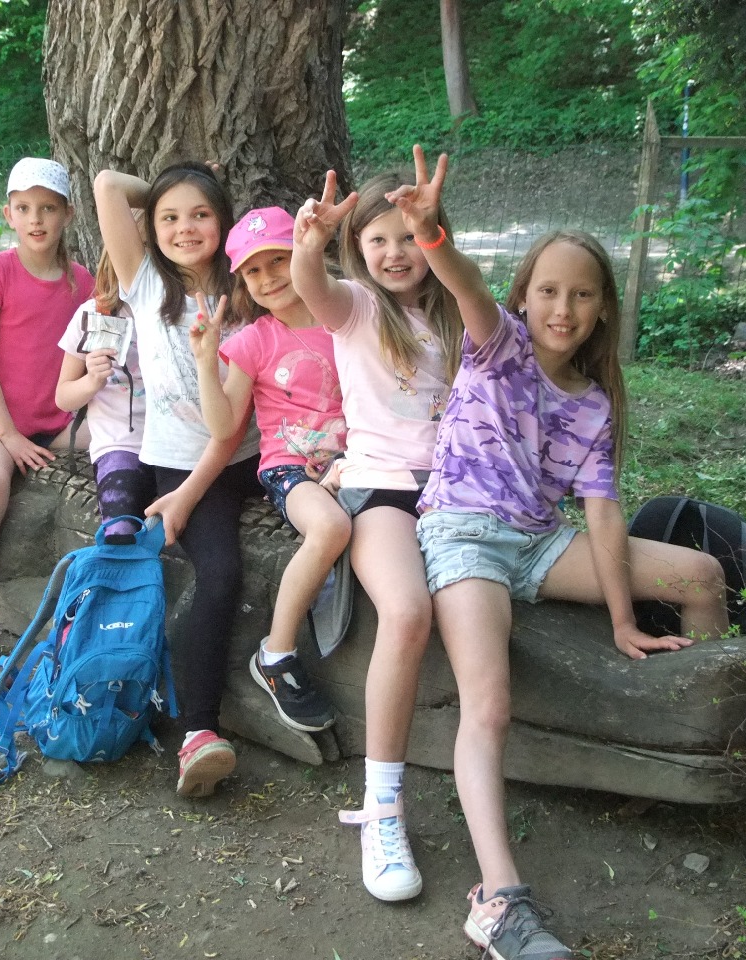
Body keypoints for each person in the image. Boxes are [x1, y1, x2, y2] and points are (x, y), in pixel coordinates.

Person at [394, 146, 728, 959]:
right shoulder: (496, 343)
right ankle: (498, 900)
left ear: (604, 308)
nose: (563, 307)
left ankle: (703, 746)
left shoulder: (594, 403)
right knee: (490, 705)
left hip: (541, 542)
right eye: (548, 290)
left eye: (581, 294)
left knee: (703, 574)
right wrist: (432, 235)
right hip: (464, 534)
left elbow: (603, 516)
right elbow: (465, 285)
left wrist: (622, 619)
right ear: (524, 297)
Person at [290, 164, 462, 902]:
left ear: (433, 236)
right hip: (384, 490)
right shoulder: (358, 307)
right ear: (357, 250)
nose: (396, 253)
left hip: (458, 492)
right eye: (378, 240)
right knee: (409, 611)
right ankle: (382, 808)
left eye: (409, 237)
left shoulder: (456, 311)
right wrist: (309, 243)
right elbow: (312, 287)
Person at [93, 161, 263, 798]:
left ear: (223, 220)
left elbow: (234, 427)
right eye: (169, 217)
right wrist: (177, 184)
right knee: (219, 572)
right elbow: (108, 186)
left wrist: (189, 497)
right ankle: (199, 733)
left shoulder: (247, 289)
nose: (185, 228)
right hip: (181, 462)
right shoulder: (144, 283)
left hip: (250, 454)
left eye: (200, 214)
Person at [191, 206, 347, 733]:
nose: (268, 277)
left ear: (305, 254)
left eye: (278, 260)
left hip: (358, 461)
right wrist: (206, 361)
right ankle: (276, 655)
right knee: (330, 527)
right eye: (253, 270)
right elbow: (223, 426)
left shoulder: (347, 318)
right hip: (290, 469)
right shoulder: (254, 341)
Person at [0, 158, 94, 690]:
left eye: (48, 208)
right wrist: (9, 436)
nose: (36, 219)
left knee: (118, 442)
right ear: (8, 214)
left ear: (68, 214)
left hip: (57, 421)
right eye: (24, 208)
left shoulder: (82, 283)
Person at [55, 250, 155, 535]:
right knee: (119, 531)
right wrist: (91, 381)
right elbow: (63, 397)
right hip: (120, 444)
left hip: (176, 443)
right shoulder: (94, 314)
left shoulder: (180, 311)